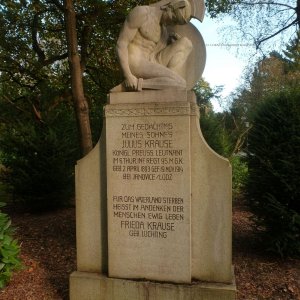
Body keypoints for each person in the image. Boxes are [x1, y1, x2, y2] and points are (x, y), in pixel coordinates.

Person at [116, 0, 193, 91]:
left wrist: (170, 42)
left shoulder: (163, 30)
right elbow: (121, 44)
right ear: (169, 7)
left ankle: (168, 83)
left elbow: (156, 53)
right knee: (180, 83)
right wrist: (128, 75)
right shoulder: (142, 13)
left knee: (186, 43)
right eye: (173, 18)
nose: (171, 23)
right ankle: (137, 84)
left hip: (152, 61)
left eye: (175, 23)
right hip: (136, 63)